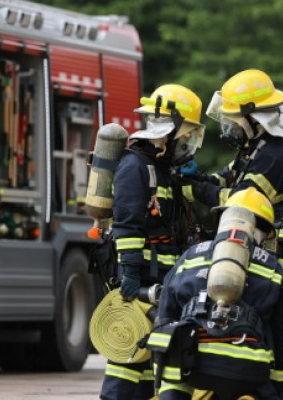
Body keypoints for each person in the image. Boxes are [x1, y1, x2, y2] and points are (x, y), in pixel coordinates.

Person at [99, 83, 205, 400]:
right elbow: (127, 223)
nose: (187, 141)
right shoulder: (135, 166)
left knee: (150, 356)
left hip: (162, 277)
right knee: (128, 353)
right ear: (169, 129)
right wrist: (130, 272)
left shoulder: (161, 167)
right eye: (185, 134)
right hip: (142, 277)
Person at [151, 188, 283, 400]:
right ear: (264, 232)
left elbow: (165, 316)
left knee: (173, 376)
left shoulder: (191, 255)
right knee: (262, 388)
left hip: (191, 364)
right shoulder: (272, 268)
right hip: (244, 371)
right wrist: (281, 382)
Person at [182, 69, 283, 279]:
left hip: (272, 257)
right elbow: (223, 178)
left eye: (234, 121)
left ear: (254, 118)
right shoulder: (256, 148)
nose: (230, 128)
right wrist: (193, 177)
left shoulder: (276, 156)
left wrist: (195, 190)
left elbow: (241, 200)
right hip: (256, 249)